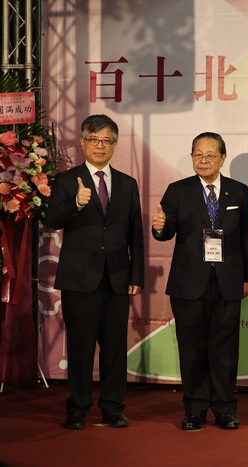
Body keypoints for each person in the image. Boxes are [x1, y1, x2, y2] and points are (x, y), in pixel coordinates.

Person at [152, 132, 248, 431]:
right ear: (192, 157)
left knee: (225, 349)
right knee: (192, 349)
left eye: (211, 154)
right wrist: (159, 228)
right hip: (189, 283)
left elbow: (247, 236)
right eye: (198, 154)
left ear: (223, 158)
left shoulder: (237, 191)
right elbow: (166, 229)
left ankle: (225, 409)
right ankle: (196, 409)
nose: (204, 160)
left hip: (228, 281)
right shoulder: (178, 190)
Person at [47, 114, 144, 430]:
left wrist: (136, 275)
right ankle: (77, 408)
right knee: (80, 348)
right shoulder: (66, 180)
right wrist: (76, 201)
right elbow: (53, 220)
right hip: (80, 279)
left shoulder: (128, 184)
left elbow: (136, 233)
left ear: (114, 144)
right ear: (83, 142)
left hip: (117, 278)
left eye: (107, 140)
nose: (100, 146)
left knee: (115, 349)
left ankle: (113, 407)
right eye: (94, 140)